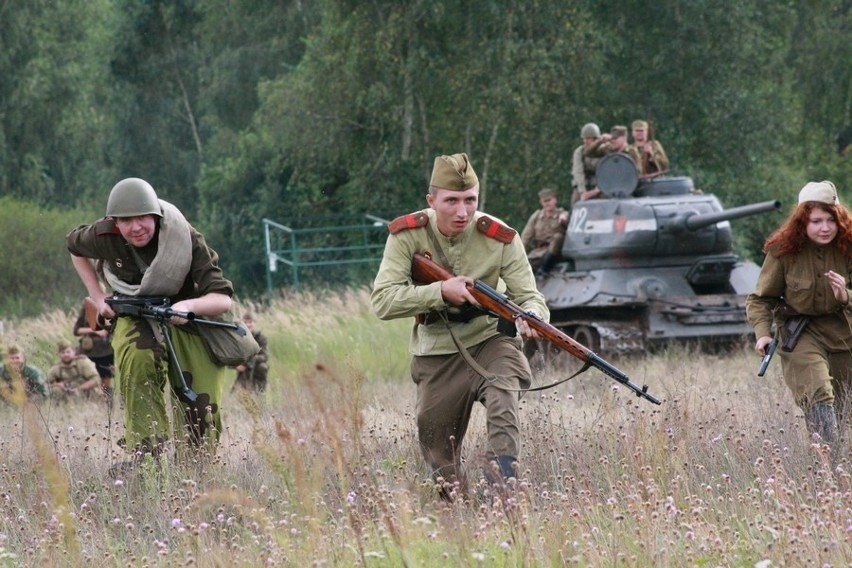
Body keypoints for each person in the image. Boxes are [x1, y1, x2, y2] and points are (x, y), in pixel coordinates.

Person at [371, 153, 549, 501]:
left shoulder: (501, 237)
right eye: (451, 201)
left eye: (470, 200)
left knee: (503, 391)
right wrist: (440, 292)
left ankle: (501, 490)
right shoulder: (406, 235)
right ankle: (459, 513)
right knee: (437, 447)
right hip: (436, 351)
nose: (462, 212)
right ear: (431, 201)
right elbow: (383, 301)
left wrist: (532, 316)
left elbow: (530, 296)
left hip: (490, 341)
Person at [66, 177, 235, 473]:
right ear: (114, 222)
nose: (136, 227)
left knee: (201, 403)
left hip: (190, 318)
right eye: (126, 220)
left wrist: (188, 306)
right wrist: (97, 295)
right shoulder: (104, 235)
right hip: (136, 314)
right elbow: (74, 248)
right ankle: (147, 459)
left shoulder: (184, 238)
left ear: (155, 215)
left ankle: (195, 472)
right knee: (139, 361)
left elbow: (222, 299)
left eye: (143, 217)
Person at [746, 180, 852, 450]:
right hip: (801, 332)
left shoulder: (848, 247)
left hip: (844, 332)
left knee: (844, 405)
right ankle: (827, 462)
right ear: (802, 221)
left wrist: (845, 296)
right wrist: (762, 335)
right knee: (818, 393)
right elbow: (760, 299)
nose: (825, 227)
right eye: (816, 221)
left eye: (831, 219)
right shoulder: (783, 251)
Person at [581, 125, 641, 201]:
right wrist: (600, 141)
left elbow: (638, 172)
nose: (613, 141)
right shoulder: (608, 149)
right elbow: (588, 153)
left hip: (626, 188)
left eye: (616, 138)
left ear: (624, 138)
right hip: (608, 188)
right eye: (612, 138)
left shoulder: (632, 152)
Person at [521, 188, 569, 276]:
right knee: (522, 269)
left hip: (556, 253)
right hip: (539, 252)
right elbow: (526, 236)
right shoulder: (537, 216)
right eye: (544, 201)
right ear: (541, 202)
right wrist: (519, 254)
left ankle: (544, 269)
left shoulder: (562, 214)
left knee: (558, 237)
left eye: (549, 200)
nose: (547, 203)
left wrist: (564, 219)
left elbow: (566, 218)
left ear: (555, 199)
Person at [73, 301, 115, 400]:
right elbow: (76, 330)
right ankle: (88, 406)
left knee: (106, 382)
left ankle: (107, 408)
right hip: (88, 350)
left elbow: (113, 328)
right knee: (87, 379)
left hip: (105, 351)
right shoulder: (87, 307)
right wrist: (95, 331)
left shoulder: (110, 307)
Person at [232, 312, 269, 392]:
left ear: (254, 323)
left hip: (257, 367)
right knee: (236, 394)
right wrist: (236, 365)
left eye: (250, 322)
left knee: (263, 367)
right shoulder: (239, 337)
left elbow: (265, 356)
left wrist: (252, 358)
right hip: (243, 368)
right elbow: (231, 355)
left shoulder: (261, 338)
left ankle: (261, 393)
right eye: (245, 322)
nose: (248, 325)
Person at [570, 123, 603, 205]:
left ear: (596, 139)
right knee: (575, 201)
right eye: (584, 139)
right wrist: (582, 192)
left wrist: (599, 188)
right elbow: (578, 172)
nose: (585, 141)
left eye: (588, 138)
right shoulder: (579, 152)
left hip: (600, 185)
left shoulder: (604, 150)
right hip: (583, 185)